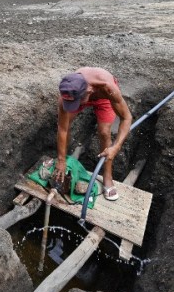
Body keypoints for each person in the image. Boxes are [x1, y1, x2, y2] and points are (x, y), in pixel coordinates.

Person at [54, 67, 132, 201]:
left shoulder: (108, 89)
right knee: (66, 122)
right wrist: (61, 160)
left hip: (103, 98)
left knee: (104, 132)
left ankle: (107, 176)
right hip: (79, 95)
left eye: (75, 103)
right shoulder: (68, 93)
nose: (72, 105)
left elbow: (126, 118)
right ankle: (65, 162)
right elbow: (62, 128)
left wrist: (116, 147)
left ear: (89, 91)